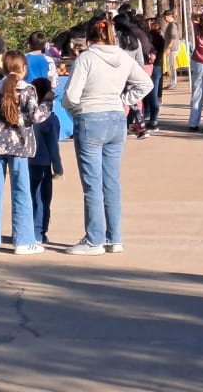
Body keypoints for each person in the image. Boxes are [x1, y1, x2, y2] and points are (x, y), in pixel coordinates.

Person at [62, 13, 152, 255]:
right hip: (116, 118)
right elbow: (146, 84)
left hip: (90, 117)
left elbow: (70, 96)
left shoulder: (86, 58)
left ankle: (94, 240)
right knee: (111, 181)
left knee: (92, 183)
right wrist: (123, 100)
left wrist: (76, 111)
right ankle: (114, 237)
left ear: (89, 36)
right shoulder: (123, 57)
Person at [0, 51, 52, 255]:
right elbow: (36, 116)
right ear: (24, 69)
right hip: (20, 146)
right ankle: (23, 241)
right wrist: (48, 101)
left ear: (3, 68)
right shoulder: (27, 91)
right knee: (21, 191)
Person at [28, 77, 63, 245]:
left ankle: (24, 230)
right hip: (43, 165)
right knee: (42, 200)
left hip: (26, 163)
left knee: (27, 198)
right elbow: (53, 147)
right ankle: (39, 233)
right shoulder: (51, 119)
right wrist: (58, 167)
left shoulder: (27, 115)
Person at [144, 16, 165, 132]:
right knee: (153, 93)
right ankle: (152, 119)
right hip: (157, 66)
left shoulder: (149, 37)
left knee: (149, 93)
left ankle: (149, 116)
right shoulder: (160, 38)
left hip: (150, 65)